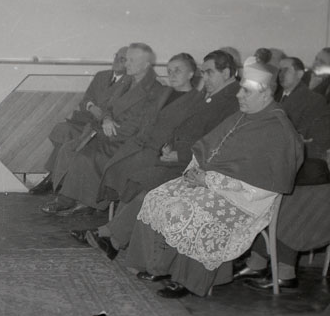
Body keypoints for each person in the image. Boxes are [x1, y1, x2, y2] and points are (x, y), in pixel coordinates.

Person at [125, 61, 303, 298]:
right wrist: (195, 171)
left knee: (191, 210)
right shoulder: (242, 116)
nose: (238, 95)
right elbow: (206, 148)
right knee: (157, 197)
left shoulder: (278, 129)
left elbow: (263, 184)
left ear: (266, 93)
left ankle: (187, 279)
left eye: (246, 91)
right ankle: (159, 266)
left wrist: (210, 181)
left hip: (244, 200)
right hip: (210, 182)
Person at [73, 50, 241, 254]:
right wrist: (171, 146)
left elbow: (219, 144)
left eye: (209, 72)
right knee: (134, 179)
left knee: (145, 187)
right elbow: (185, 130)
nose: (204, 78)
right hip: (176, 155)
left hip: (198, 168)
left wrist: (180, 154)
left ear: (226, 73)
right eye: (203, 73)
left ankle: (110, 236)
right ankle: (112, 236)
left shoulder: (231, 101)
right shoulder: (212, 96)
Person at [233, 56, 330, 290]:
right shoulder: (277, 98)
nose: (281, 73)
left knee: (278, 199)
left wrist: (293, 143)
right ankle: (257, 260)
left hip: (307, 174)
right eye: (280, 70)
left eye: (287, 69)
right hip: (281, 164)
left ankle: (283, 270)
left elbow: (318, 142)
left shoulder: (314, 100)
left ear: (300, 73)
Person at [40, 42, 166, 215]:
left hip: (125, 144)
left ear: (146, 65)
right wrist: (106, 119)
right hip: (108, 134)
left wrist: (105, 131)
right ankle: (73, 198)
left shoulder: (156, 90)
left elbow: (139, 128)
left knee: (84, 155)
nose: (126, 63)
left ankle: (72, 199)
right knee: (71, 148)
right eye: (126, 59)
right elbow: (106, 106)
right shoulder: (127, 81)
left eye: (131, 60)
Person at [29, 47, 131, 195]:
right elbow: (85, 100)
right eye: (116, 56)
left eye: (122, 59)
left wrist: (103, 115)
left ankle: (54, 181)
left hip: (100, 128)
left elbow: (118, 111)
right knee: (63, 130)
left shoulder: (130, 83)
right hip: (85, 121)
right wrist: (91, 107)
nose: (116, 61)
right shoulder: (101, 76)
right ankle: (56, 179)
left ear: (130, 63)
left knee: (69, 141)